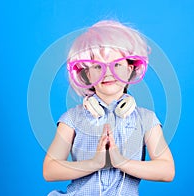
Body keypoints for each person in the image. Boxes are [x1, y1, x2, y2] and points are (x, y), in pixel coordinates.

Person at [43, 20, 175, 196]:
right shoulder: (72, 118)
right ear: (86, 74)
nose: (108, 72)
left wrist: (121, 162)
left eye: (117, 64)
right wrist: (94, 163)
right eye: (97, 66)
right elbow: (50, 170)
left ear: (131, 69)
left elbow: (167, 170)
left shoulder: (146, 119)